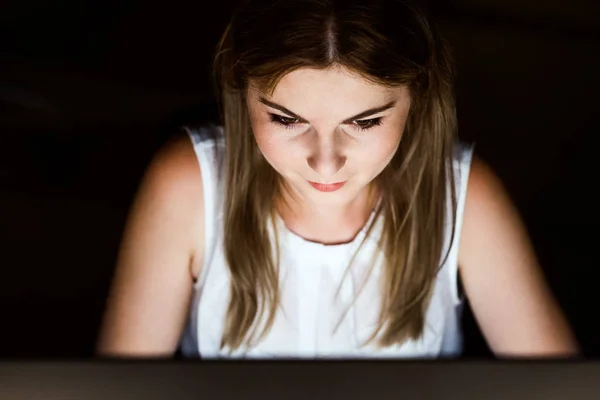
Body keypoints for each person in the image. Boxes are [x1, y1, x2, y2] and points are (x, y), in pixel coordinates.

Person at [97, 0, 579, 358]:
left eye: (364, 122)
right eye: (287, 120)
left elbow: (555, 384)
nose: (325, 164)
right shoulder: (188, 187)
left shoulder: (464, 197)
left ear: (417, 97)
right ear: (241, 92)